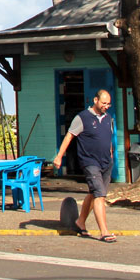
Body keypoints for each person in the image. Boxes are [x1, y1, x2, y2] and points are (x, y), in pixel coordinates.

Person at [53, 89, 116, 242]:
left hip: (106, 162)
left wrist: (111, 155)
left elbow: (108, 139)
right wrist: (59, 156)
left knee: (94, 193)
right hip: (90, 162)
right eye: (103, 103)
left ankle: (80, 221)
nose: (106, 106)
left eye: (108, 104)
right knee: (99, 195)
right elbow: (69, 136)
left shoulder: (109, 118)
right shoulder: (82, 118)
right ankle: (104, 232)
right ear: (95, 100)